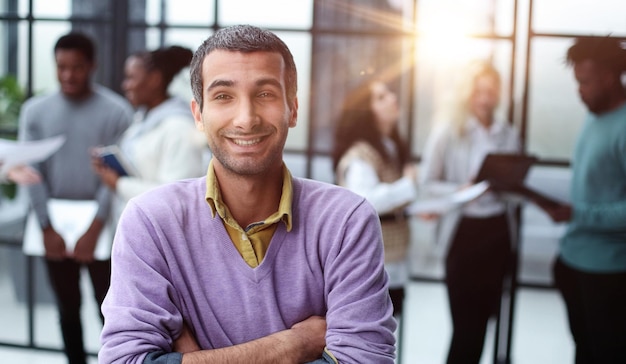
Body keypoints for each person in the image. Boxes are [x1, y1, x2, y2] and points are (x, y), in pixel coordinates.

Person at [99, 24, 397, 364]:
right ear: (198, 114)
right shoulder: (150, 220)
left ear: (293, 109)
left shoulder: (346, 219)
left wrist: (195, 357)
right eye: (224, 96)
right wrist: (294, 345)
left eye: (266, 94)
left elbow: (365, 361)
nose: (246, 119)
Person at [19, 32, 133, 364]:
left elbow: (114, 177)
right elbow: (31, 171)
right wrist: (45, 226)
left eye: (77, 67)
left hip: (105, 224)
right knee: (67, 308)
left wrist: (96, 226)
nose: (69, 75)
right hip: (51, 223)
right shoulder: (35, 111)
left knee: (110, 307)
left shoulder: (117, 111)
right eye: (61, 67)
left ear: (92, 66)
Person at [419, 60, 521, 364]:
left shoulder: (507, 133)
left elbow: (515, 185)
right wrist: (459, 191)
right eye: (479, 90)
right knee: (465, 326)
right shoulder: (449, 131)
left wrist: (506, 183)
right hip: (464, 234)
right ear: (467, 93)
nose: (486, 98)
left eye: (492, 91)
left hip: (497, 232)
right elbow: (426, 184)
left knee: (485, 322)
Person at [544, 37, 626, 364]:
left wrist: (579, 213)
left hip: (607, 273)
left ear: (609, 77)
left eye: (585, 82)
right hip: (574, 262)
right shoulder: (595, 115)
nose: (579, 90)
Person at [332, 79, 418, 318]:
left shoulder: (391, 147)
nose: (393, 98)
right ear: (365, 113)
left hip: (395, 261)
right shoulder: (359, 155)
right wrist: (408, 186)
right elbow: (365, 201)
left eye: (389, 93)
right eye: (380, 97)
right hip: (372, 265)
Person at [92, 45, 206, 224]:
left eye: (130, 78)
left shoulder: (179, 128)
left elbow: (176, 196)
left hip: (160, 233)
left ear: (154, 79)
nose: (125, 85)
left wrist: (119, 184)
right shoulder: (142, 121)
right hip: (136, 225)